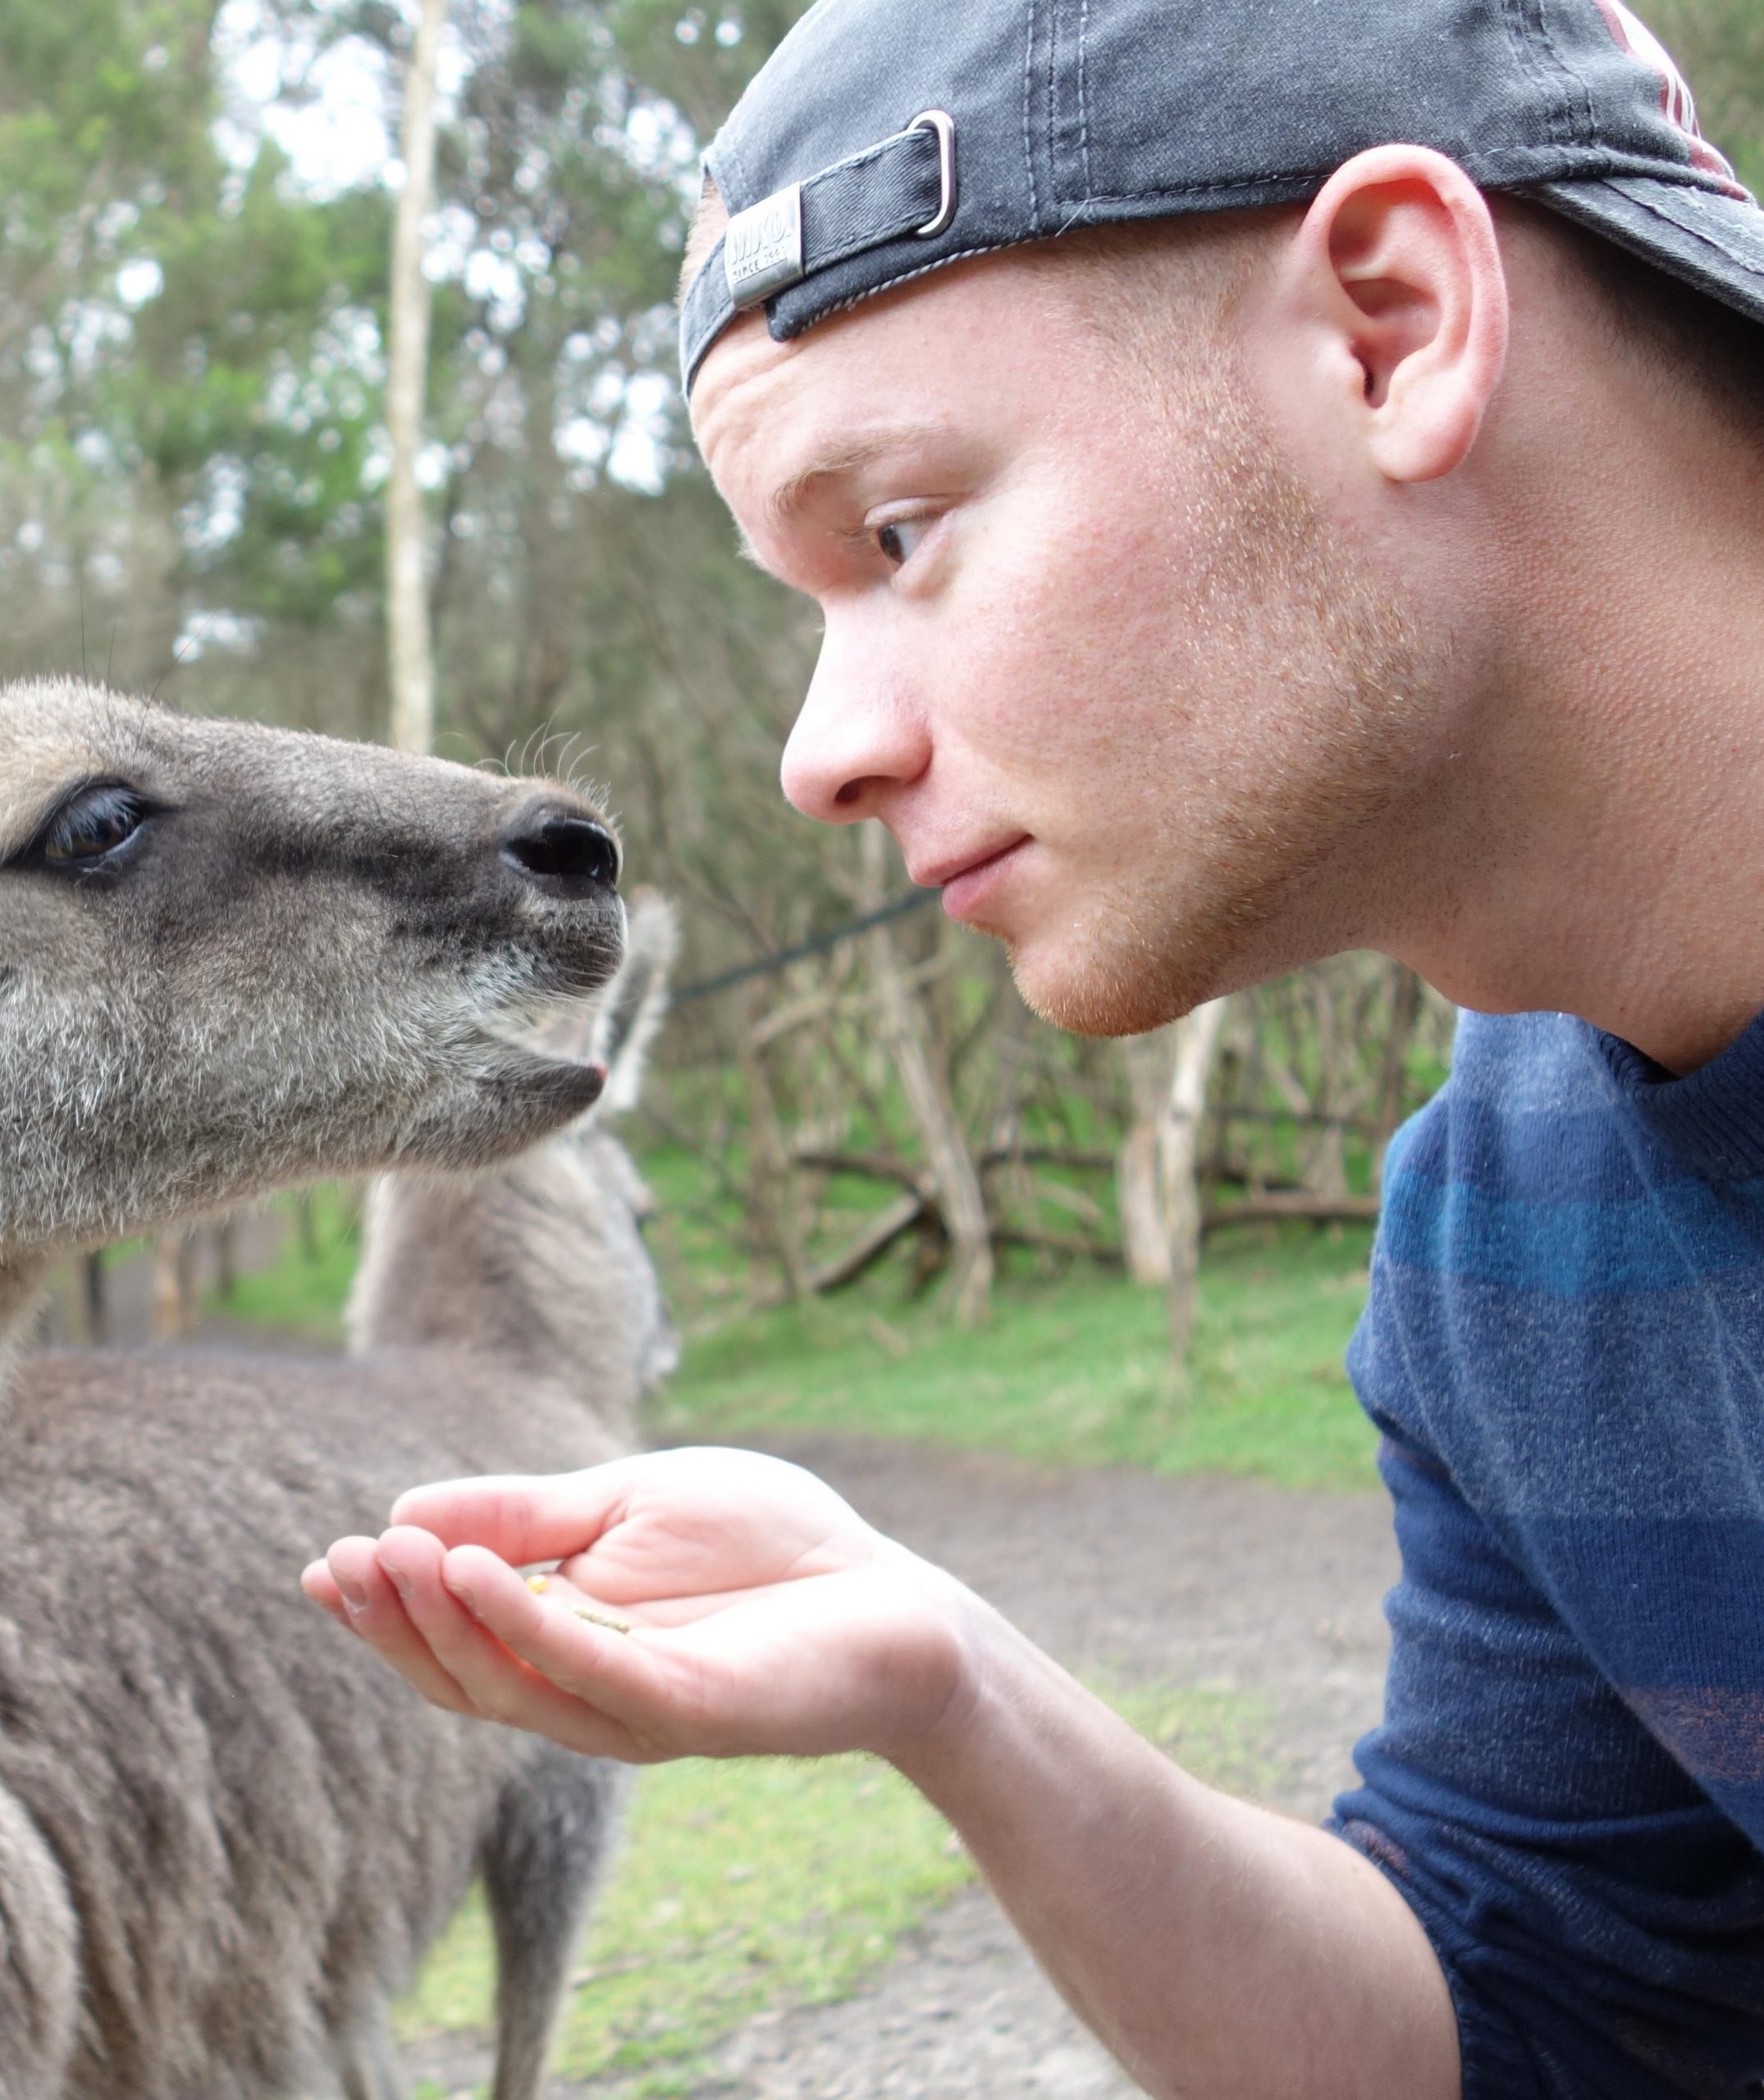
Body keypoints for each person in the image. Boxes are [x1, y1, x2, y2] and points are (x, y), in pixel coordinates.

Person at [304, 1, 1764, 2093]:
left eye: (894, 532)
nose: (820, 753)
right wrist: (951, 1679)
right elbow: (1521, 2014)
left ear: (1390, 329)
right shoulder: (1502, 1243)